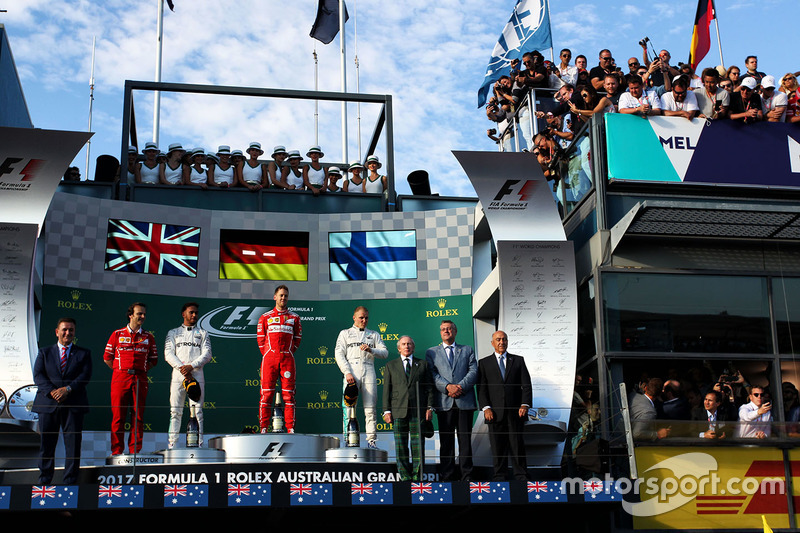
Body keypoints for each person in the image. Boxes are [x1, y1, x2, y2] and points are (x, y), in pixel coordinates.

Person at [32, 317, 92, 484]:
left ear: (74, 332)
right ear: (57, 332)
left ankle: (70, 484)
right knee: (47, 446)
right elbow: (38, 376)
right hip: (48, 405)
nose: (67, 333)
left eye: (71, 330)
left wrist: (68, 389)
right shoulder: (44, 352)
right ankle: (44, 482)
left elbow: (85, 376)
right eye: (64, 329)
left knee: (72, 447)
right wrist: (53, 392)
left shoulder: (84, 353)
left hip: (73, 405)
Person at [425, 320, 477, 481]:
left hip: (464, 402)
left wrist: (459, 387)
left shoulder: (467, 350)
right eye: (443, 329)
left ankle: (467, 476)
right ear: (440, 333)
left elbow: (474, 371)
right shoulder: (431, 352)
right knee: (446, 442)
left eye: (449, 328)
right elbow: (432, 374)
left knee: (465, 442)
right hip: (444, 403)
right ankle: (447, 476)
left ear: (455, 331)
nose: (446, 331)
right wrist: (448, 387)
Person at [104, 302, 158, 455]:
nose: (142, 317)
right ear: (130, 315)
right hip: (120, 377)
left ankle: (135, 451)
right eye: (139, 314)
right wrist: (120, 369)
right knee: (118, 416)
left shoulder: (148, 336)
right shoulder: (117, 334)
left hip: (140, 378)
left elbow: (154, 359)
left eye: (144, 314)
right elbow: (107, 358)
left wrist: (142, 370)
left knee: (138, 417)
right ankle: (117, 452)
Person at [477, 330, 531, 481]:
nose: (502, 342)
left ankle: (521, 475)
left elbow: (526, 385)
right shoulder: (484, 363)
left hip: (515, 412)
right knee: (497, 446)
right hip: (494, 413)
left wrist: (525, 404)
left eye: (504, 339)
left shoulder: (518, 360)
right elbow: (481, 388)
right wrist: (486, 408)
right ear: (492, 343)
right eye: (498, 339)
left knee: (517, 445)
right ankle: (500, 476)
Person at [334, 306, 388, 449]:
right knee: (349, 408)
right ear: (354, 317)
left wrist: (371, 349)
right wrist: (347, 372)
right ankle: (348, 439)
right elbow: (339, 354)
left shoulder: (374, 334)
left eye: (366, 318)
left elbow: (385, 353)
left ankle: (371, 441)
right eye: (361, 317)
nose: (364, 320)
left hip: (369, 369)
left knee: (370, 408)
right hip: (351, 370)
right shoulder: (345, 333)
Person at [382, 335, 433, 481]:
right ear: (399, 348)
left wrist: (430, 407)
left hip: (418, 411)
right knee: (401, 447)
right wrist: (386, 411)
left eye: (409, 344)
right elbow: (387, 390)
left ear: (413, 347)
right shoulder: (390, 366)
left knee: (418, 447)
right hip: (398, 411)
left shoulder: (423, 364)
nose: (407, 346)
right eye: (404, 344)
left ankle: (418, 477)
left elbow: (429, 388)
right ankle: (405, 478)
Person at [164, 302, 212, 449]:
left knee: (198, 411)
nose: (194, 315)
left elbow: (208, 354)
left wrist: (191, 366)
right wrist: (182, 368)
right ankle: (172, 445)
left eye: (196, 313)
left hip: (196, 374)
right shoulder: (173, 333)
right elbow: (168, 354)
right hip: (179, 376)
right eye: (191, 312)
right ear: (183, 314)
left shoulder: (203, 333)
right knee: (175, 411)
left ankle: (199, 445)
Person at [257, 285, 302, 433]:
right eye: (281, 295)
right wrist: (270, 353)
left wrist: (287, 352)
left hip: (287, 359)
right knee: (266, 394)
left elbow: (297, 340)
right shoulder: (265, 317)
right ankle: (264, 428)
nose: (283, 298)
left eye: (286, 296)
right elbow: (261, 340)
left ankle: (290, 429)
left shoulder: (294, 318)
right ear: (275, 297)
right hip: (269, 359)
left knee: (289, 395)